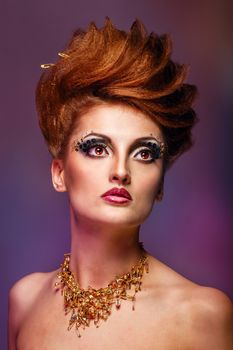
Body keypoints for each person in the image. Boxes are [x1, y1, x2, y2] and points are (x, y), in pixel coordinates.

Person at [8, 18, 233, 349]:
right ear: (59, 173)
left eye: (144, 154)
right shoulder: (25, 301)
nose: (120, 171)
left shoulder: (201, 314)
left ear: (159, 186)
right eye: (97, 148)